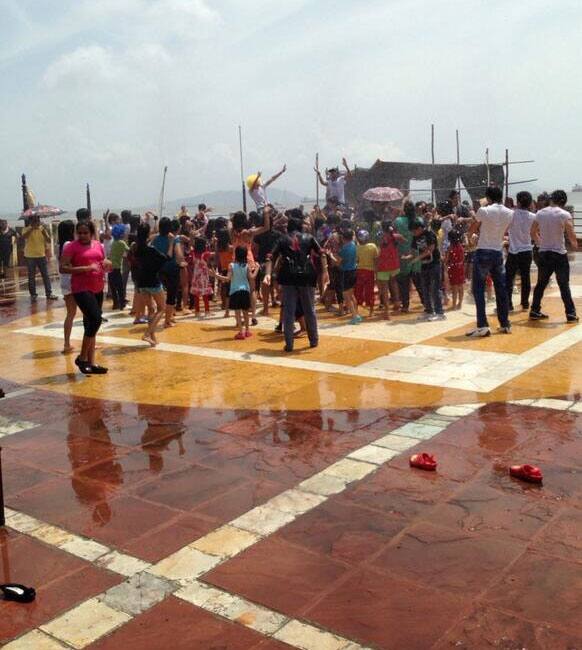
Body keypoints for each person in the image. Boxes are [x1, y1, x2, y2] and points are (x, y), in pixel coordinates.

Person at [264, 213, 328, 352]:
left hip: (288, 277)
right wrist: (325, 271)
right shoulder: (309, 238)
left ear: (288, 228)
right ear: (300, 227)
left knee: (289, 310)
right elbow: (322, 253)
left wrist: (268, 274)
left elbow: (270, 257)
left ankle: (289, 344)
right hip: (307, 275)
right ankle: (313, 340)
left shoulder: (282, 240)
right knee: (309, 309)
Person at [60, 220, 110, 374]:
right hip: (81, 288)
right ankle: (82, 357)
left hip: (98, 286)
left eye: (85, 233)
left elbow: (101, 261)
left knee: (90, 324)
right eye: (79, 233)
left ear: (91, 233)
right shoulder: (71, 247)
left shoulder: (97, 245)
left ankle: (91, 362)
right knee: (96, 319)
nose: (82, 236)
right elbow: (63, 268)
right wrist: (85, 268)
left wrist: (107, 263)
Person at [465, 185, 513, 338]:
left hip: (483, 251)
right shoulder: (510, 212)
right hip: (497, 252)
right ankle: (505, 323)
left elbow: (472, 229)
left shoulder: (484, 210)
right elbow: (503, 231)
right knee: (501, 289)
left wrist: (471, 241)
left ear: (488, 198)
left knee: (479, 289)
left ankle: (482, 325)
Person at [530, 190, 578, 322]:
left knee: (541, 284)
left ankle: (534, 310)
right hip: (559, 254)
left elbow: (532, 232)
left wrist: (541, 243)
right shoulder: (564, 214)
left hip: (544, 253)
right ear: (563, 202)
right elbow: (571, 234)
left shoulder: (540, 213)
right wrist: (575, 246)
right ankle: (570, 313)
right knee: (563, 285)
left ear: (551, 200)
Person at [133, 222, 169, 347]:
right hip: (153, 281)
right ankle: (147, 333)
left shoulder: (136, 248)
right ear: (148, 233)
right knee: (162, 308)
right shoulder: (151, 249)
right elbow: (165, 258)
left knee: (151, 309)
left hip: (141, 282)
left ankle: (153, 338)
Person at [214, 246, 257, 340]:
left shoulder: (231, 266)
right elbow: (252, 277)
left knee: (237, 313)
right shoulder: (247, 266)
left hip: (235, 291)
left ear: (236, 254)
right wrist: (257, 268)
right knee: (246, 312)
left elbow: (227, 279)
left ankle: (241, 332)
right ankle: (247, 331)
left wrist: (215, 275)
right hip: (245, 290)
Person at [408, 219, 445, 321]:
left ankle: (440, 312)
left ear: (419, 228)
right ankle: (428, 310)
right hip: (424, 265)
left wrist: (417, 258)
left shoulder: (430, 234)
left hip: (434, 264)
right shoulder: (416, 237)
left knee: (435, 289)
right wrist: (408, 256)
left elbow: (430, 250)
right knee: (424, 289)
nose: (413, 233)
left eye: (414, 231)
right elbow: (413, 250)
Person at [505, 191, 535, 311]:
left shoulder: (511, 214)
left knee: (509, 278)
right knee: (525, 277)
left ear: (517, 202)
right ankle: (525, 303)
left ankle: (509, 304)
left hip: (514, 250)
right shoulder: (533, 216)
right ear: (529, 203)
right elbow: (535, 233)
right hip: (527, 250)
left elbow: (505, 229)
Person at [152, 217, 182, 328]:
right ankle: (167, 321)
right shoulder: (174, 239)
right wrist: (181, 262)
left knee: (164, 294)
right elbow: (178, 255)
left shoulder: (156, 239)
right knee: (171, 295)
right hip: (172, 269)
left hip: (160, 270)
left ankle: (169, 317)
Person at [393, 202, 423, 313]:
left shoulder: (397, 221)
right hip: (417, 255)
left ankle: (405, 306)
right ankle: (426, 303)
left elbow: (393, 235)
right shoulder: (419, 220)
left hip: (402, 255)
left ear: (404, 210)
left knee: (403, 284)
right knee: (419, 283)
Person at [21, 214, 58, 302]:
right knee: (31, 276)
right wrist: (31, 228)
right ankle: (33, 294)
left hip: (41, 255)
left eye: (38, 220)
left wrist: (44, 232)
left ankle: (49, 293)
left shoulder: (42, 229)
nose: (36, 222)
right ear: (30, 221)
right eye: (34, 220)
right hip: (30, 255)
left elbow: (49, 240)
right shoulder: (26, 229)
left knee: (45, 275)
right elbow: (23, 237)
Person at [377, 219, 403, 320]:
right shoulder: (395, 236)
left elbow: (378, 248)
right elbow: (404, 240)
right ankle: (397, 303)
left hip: (383, 265)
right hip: (394, 263)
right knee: (394, 283)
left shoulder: (380, 237)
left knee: (384, 288)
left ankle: (387, 311)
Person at [57, 220, 77, 353]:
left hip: (64, 281)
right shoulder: (69, 244)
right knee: (87, 312)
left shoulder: (59, 244)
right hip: (73, 280)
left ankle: (66, 343)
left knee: (70, 313)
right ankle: (90, 342)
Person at [354, 229, 378, 317]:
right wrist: (376, 272)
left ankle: (356, 311)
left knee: (358, 290)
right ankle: (371, 311)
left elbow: (356, 260)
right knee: (370, 290)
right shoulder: (373, 246)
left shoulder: (357, 248)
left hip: (359, 271)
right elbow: (375, 260)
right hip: (370, 271)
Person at [190, 237, 213, 318]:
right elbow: (211, 256)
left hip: (196, 276)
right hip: (204, 276)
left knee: (196, 295)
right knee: (205, 294)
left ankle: (197, 312)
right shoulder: (206, 253)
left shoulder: (192, 252)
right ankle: (207, 311)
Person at [108, 222, 129, 310]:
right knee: (120, 287)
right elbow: (129, 250)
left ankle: (115, 304)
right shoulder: (122, 243)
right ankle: (122, 303)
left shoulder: (114, 242)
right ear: (121, 233)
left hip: (110, 268)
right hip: (116, 268)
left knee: (113, 287)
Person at [445, 229, 465, 310]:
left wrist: (445, 262)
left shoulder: (450, 247)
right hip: (460, 267)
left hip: (453, 268)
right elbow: (463, 258)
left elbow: (446, 259)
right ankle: (459, 303)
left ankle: (453, 305)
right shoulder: (460, 246)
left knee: (454, 287)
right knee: (460, 286)